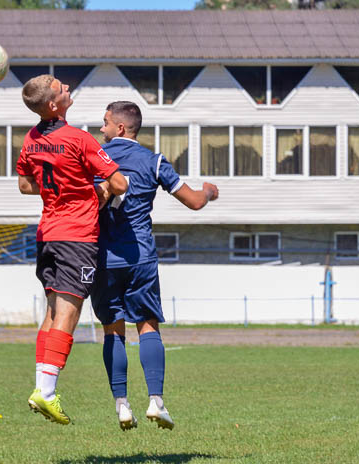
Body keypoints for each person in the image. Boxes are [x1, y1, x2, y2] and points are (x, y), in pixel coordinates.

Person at [90, 101, 219, 431]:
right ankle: (156, 402)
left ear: (121, 127)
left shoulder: (94, 159)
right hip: (141, 258)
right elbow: (193, 202)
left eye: (105, 123)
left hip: (104, 258)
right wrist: (207, 191)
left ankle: (121, 404)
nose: (100, 129)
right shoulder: (154, 160)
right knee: (147, 326)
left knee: (113, 331)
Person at [16, 74, 128, 425]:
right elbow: (119, 182)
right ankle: (47, 393)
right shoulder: (79, 139)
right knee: (69, 313)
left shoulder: (31, 139)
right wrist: (95, 191)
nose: (66, 85)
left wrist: (64, 188)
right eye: (60, 86)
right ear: (54, 104)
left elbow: (24, 185)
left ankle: (41, 388)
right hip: (76, 236)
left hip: (47, 234)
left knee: (51, 313)